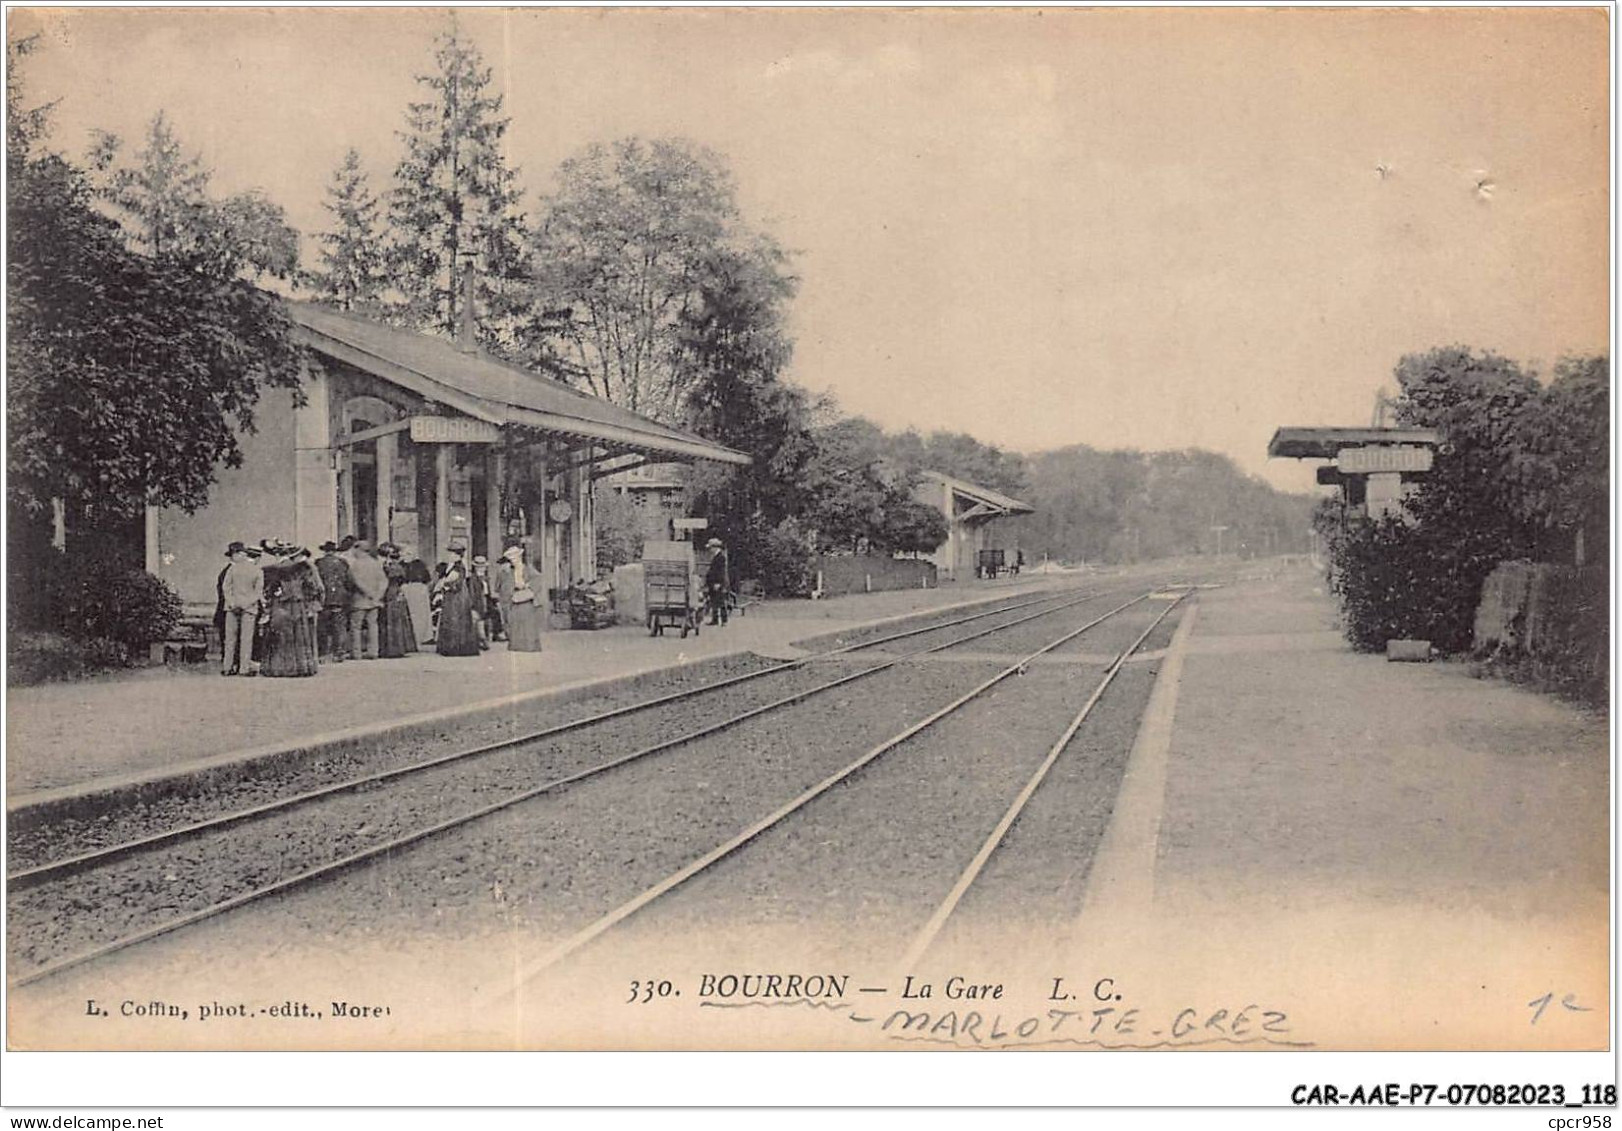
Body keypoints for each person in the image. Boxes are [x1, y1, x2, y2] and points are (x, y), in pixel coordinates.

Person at [261, 545, 320, 678]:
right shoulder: (303, 569)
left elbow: (268, 591)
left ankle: (279, 668)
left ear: (278, 555)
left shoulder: (272, 571)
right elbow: (312, 588)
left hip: (280, 606)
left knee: (280, 636)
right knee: (299, 636)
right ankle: (302, 667)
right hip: (298, 606)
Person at [219, 543, 263, 677]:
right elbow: (257, 592)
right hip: (249, 608)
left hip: (231, 608)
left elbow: (226, 587)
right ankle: (243, 668)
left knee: (230, 639)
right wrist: (245, 604)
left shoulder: (232, 569)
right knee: (246, 639)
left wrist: (232, 603)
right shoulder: (257, 570)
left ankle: (227, 667)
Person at [434, 543, 482, 656]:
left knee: (454, 619)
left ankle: (454, 647)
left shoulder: (458, 567)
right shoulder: (455, 566)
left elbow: (452, 581)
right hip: (455, 595)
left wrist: (443, 585)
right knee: (454, 619)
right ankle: (451, 646)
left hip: (456, 597)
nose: (450, 556)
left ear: (457, 555)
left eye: (452, 554)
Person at [495, 542, 543, 652]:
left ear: (520, 557)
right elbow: (503, 586)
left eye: (515, 557)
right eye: (511, 558)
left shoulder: (527, 569)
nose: (513, 560)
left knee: (527, 622)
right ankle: (516, 644)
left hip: (525, 598)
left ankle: (529, 645)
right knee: (514, 622)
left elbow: (537, 580)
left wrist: (528, 587)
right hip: (514, 599)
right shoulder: (507, 571)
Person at [346, 540, 388, 660]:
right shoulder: (376, 563)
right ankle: (373, 651)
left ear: (359, 550)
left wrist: (368, 593)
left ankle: (357, 653)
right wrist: (378, 595)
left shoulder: (355, 565)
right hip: (375, 601)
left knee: (356, 627)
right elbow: (384, 581)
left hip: (360, 600)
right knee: (373, 626)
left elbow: (355, 582)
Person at [314, 541, 353, 662]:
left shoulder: (319, 563)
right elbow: (349, 581)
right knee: (339, 626)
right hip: (340, 598)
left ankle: (323, 653)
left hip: (324, 599)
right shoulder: (343, 563)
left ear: (324, 551)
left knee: (323, 627)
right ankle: (339, 652)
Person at [378, 543, 419, 658]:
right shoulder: (398, 567)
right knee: (397, 619)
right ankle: (398, 647)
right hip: (397, 593)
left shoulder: (391, 567)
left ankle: (391, 648)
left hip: (390, 593)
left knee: (391, 619)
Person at [402, 558, 434, 645]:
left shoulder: (405, 587)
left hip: (410, 600)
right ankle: (423, 637)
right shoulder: (424, 587)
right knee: (423, 618)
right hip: (422, 604)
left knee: (412, 617)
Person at [704, 537, 731, 626]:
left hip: (717, 583)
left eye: (710, 548)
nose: (709, 550)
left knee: (720, 601)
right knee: (714, 601)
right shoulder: (716, 556)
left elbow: (720, 572)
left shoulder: (721, 557)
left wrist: (718, 583)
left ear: (715, 547)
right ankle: (715, 619)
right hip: (713, 582)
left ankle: (724, 620)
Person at [469, 554, 493, 651]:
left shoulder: (486, 578)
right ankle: (482, 640)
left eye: (483, 566)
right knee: (478, 621)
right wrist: (472, 605)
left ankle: (483, 639)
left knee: (484, 620)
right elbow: (472, 592)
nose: (482, 568)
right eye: (479, 567)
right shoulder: (472, 579)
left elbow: (488, 591)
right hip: (477, 601)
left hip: (485, 600)